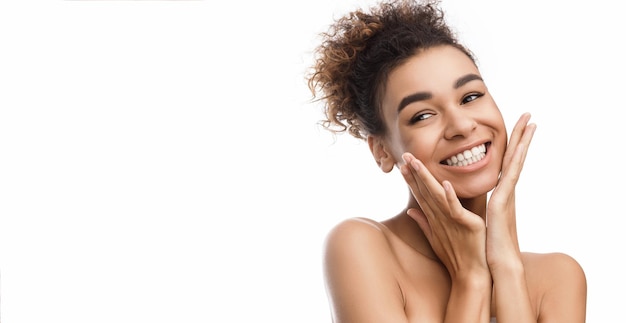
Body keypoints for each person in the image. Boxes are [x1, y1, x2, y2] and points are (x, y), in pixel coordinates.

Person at [306, 0, 587, 322]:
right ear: (382, 151)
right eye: (422, 115)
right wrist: (472, 278)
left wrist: (507, 267)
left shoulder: (558, 277)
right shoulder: (361, 247)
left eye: (470, 97)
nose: (462, 126)